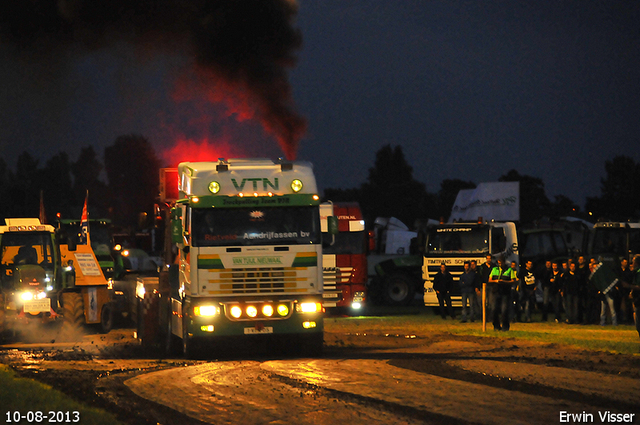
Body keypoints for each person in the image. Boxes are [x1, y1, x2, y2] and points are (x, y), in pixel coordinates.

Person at [488, 256, 513, 331]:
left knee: (504, 310)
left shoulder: (509, 270)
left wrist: (504, 282)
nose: (499, 264)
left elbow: (514, 281)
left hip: (505, 293)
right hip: (495, 292)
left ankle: (505, 326)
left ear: (504, 262)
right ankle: (496, 326)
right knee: (493, 309)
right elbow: (489, 280)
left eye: (501, 263)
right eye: (498, 263)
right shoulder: (494, 269)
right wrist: (495, 281)